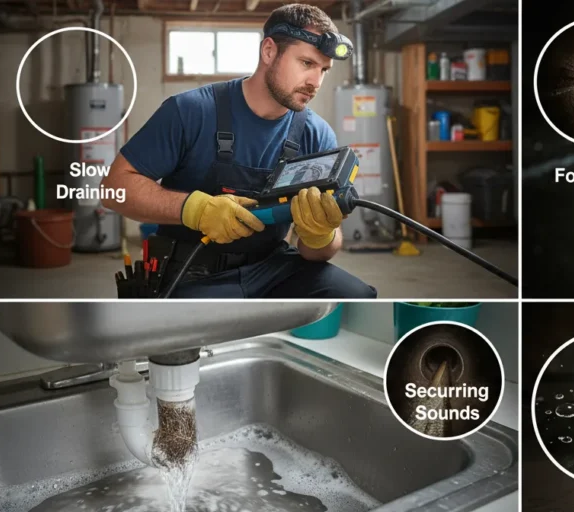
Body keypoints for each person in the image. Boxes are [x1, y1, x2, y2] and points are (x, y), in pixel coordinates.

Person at [101, 4, 376, 298]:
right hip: (192, 270)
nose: (316, 82)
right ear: (269, 51)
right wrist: (196, 210)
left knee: (355, 294)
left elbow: (319, 253)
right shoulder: (191, 111)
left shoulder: (316, 134)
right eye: (306, 63)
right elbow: (114, 188)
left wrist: (320, 234)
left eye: (323, 70)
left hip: (273, 267)